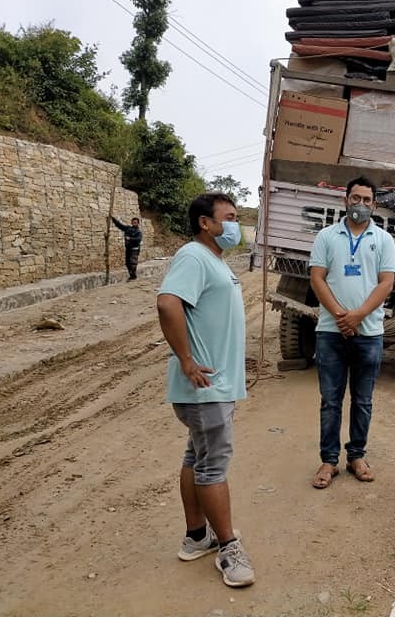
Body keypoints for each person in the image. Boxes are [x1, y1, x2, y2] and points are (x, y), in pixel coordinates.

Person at [156, 193, 255, 588]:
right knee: (212, 466)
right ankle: (228, 548)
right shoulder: (193, 257)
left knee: (196, 457)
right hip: (205, 387)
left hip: (212, 387)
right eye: (229, 218)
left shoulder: (213, 260)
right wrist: (186, 360)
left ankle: (197, 536)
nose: (234, 224)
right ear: (205, 223)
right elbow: (167, 305)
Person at [308, 176, 395, 489]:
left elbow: (386, 282)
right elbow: (317, 278)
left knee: (362, 400)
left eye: (367, 200)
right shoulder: (326, 236)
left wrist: (358, 316)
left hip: (369, 333)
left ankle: (356, 456)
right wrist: (339, 315)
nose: (361, 204)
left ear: (374, 205)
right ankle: (329, 460)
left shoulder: (384, 240)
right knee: (330, 400)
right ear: (345, 200)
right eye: (355, 198)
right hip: (330, 332)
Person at [112, 215, 143, 281]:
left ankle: (133, 276)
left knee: (133, 262)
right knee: (127, 263)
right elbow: (120, 225)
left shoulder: (139, 232)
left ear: (138, 223)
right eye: (133, 222)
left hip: (135, 249)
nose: (134, 223)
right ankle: (132, 275)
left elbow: (138, 239)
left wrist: (130, 238)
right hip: (128, 248)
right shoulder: (128, 228)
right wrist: (113, 219)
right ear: (131, 222)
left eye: (135, 222)